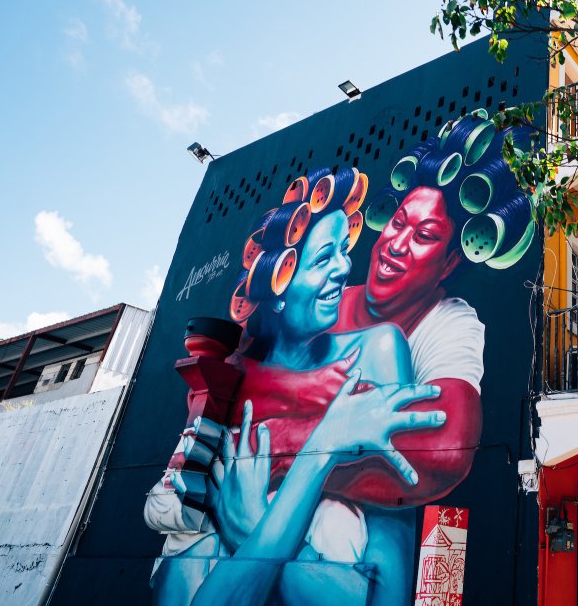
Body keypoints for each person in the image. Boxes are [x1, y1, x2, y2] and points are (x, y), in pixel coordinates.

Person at [147, 113, 536, 605]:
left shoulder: (406, 339)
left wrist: (279, 475)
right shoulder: (253, 360)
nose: (394, 245)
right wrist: (330, 440)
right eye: (397, 223)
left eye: (424, 236)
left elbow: (441, 447)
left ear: (449, 262)